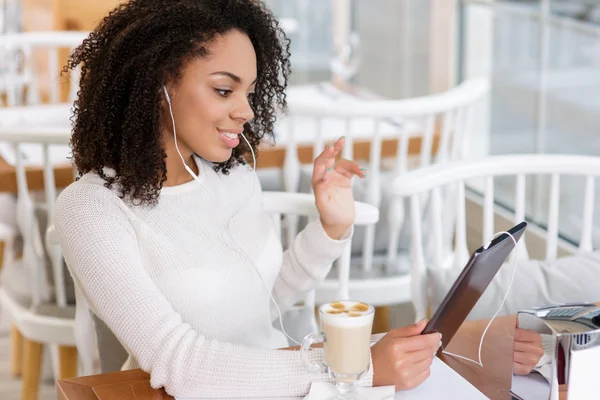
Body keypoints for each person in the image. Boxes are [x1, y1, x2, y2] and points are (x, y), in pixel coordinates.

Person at [55, 0, 441, 397]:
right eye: (224, 90)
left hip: (287, 387)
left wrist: (331, 228)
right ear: (157, 86)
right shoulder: (91, 209)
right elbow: (179, 364)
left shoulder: (234, 176)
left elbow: (262, 302)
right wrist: (350, 369)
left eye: (250, 92)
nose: (246, 111)